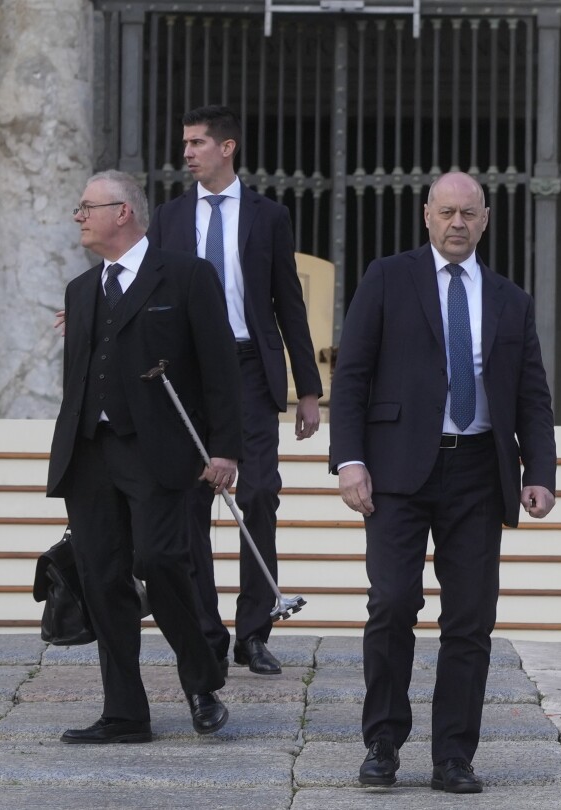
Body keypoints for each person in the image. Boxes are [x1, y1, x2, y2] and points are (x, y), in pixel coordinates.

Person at [328, 172, 557, 794]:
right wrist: (348, 459)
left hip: (480, 471)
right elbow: (352, 375)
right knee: (393, 603)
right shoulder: (387, 277)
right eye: (447, 212)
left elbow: (533, 394)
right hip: (397, 470)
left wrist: (538, 471)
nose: (458, 223)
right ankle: (382, 742)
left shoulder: (509, 298)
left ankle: (454, 755)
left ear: (485, 220)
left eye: (469, 214)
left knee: (470, 619)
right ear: (427, 216)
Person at [46, 170, 239, 743]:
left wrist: (225, 449)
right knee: (102, 577)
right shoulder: (81, 291)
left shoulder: (185, 276)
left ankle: (201, 679)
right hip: (90, 454)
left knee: (158, 561)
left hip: (159, 453)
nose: (79, 216)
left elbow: (220, 368)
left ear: (123, 211)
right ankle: (126, 712)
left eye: (87, 207)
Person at [147, 105, 324, 676]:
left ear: (227, 148)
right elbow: (148, 290)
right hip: (189, 370)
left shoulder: (269, 216)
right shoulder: (169, 217)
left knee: (260, 494)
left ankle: (254, 631)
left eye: (197, 142)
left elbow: (287, 303)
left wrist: (309, 390)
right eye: (186, 142)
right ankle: (206, 629)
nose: (187, 152)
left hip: (250, 367)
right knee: (194, 502)